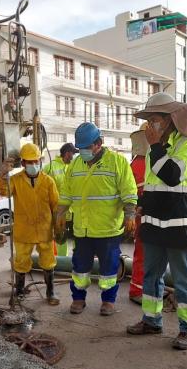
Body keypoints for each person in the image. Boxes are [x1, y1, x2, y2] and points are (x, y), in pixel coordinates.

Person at [126, 92, 187, 350]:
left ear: (170, 120)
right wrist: (142, 207)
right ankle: (151, 320)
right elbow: (153, 185)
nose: (151, 125)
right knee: (151, 275)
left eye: (155, 119)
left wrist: (157, 146)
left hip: (179, 224)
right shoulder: (154, 149)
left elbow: (172, 176)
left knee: (182, 279)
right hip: (154, 223)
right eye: (149, 120)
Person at [57, 122, 137, 316]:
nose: (83, 151)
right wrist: (59, 214)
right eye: (80, 148)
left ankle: (108, 301)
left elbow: (129, 191)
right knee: (79, 268)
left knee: (109, 270)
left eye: (86, 147)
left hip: (107, 229)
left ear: (99, 143)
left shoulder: (117, 162)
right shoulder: (76, 164)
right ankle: (78, 299)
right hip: (82, 229)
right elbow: (67, 193)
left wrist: (130, 215)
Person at [0, 143, 60, 305]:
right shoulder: (16, 180)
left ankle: (50, 292)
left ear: (40, 160)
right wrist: (2, 175)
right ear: (23, 163)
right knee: (21, 262)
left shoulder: (48, 181)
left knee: (48, 261)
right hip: (24, 230)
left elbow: (56, 206)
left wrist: (59, 226)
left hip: (44, 229)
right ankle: (19, 292)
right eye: (29, 162)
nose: (33, 165)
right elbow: (4, 191)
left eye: (35, 161)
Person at [44, 143, 78, 256]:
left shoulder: (73, 167)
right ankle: (61, 261)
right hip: (59, 211)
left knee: (77, 237)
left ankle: (77, 259)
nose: (73, 157)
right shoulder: (50, 167)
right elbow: (42, 188)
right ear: (67, 153)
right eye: (72, 154)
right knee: (60, 238)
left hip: (73, 211)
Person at [129, 123, 150, 304]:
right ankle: (138, 290)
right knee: (144, 253)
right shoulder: (144, 163)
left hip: (143, 215)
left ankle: (141, 288)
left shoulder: (136, 161)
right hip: (146, 216)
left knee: (144, 253)